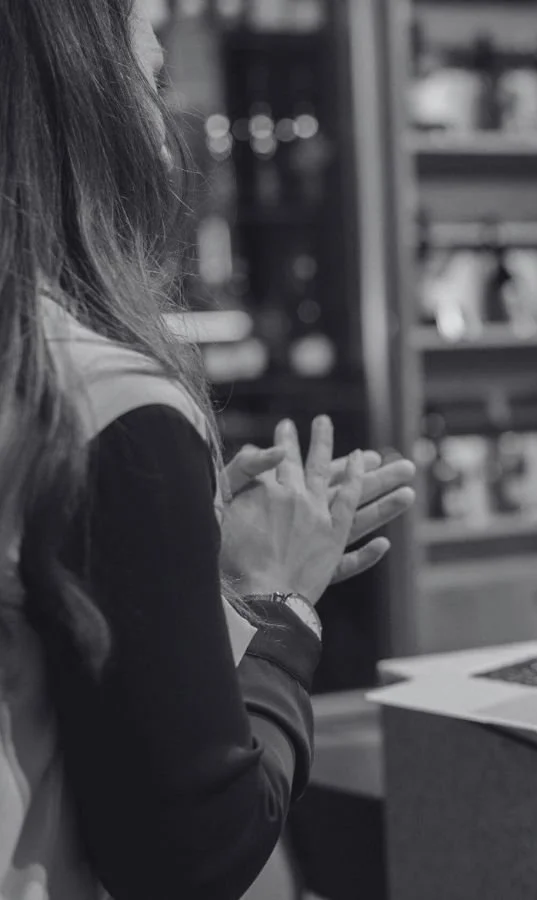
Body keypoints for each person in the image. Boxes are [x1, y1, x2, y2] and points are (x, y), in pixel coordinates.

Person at [0, 3, 415, 898]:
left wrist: (181, 566)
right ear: (84, 105)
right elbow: (196, 857)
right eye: (152, 83)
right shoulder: (108, 406)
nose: (169, 129)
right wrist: (277, 603)